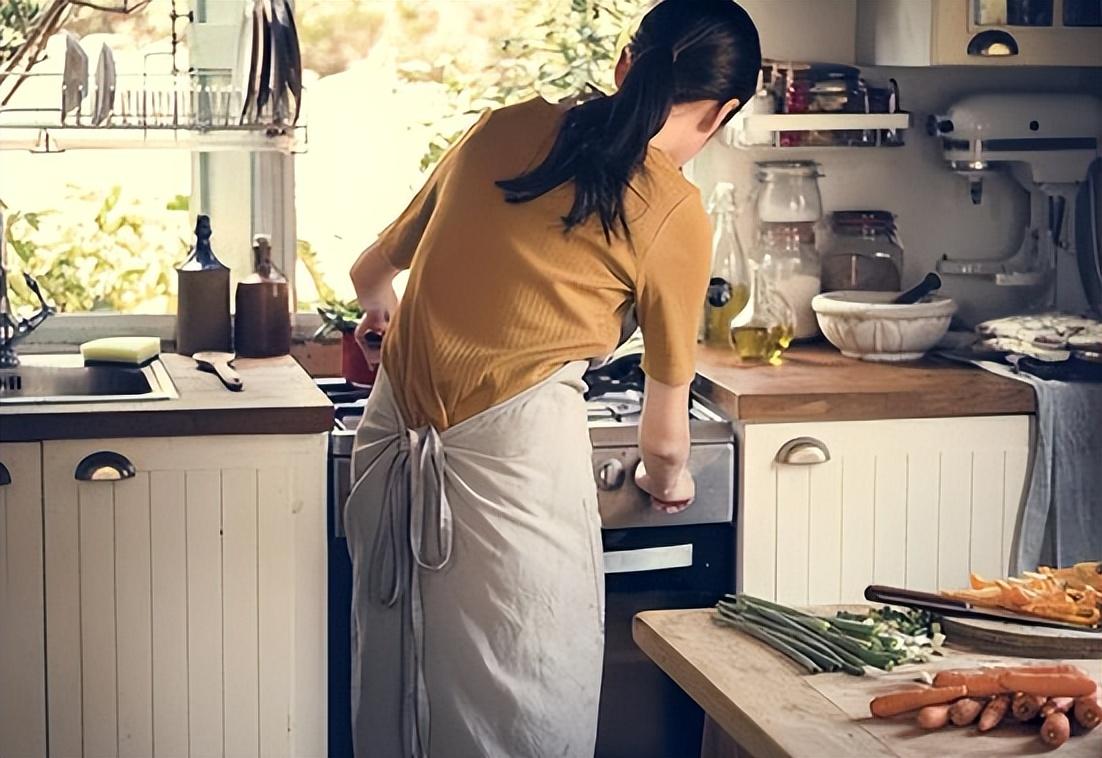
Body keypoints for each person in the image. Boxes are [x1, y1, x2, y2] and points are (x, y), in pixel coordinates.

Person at [345, 1, 761, 755]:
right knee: (521, 698)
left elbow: (370, 274)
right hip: (514, 472)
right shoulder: (673, 209)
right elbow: (665, 440)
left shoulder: (503, 127)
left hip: (392, 436)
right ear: (722, 112)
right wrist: (667, 483)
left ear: (624, 64)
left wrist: (387, 321)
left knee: (399, 687)